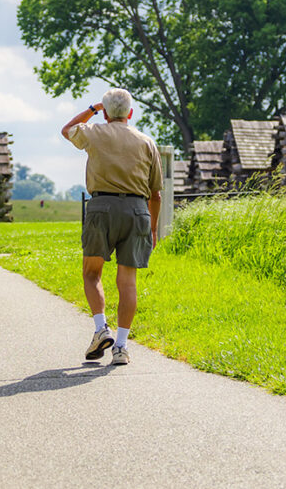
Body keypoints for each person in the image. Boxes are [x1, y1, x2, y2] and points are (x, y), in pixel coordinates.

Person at [61, 88, 162, 366]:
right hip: (137, 211)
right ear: (130, 113)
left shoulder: (93, 131)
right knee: (127, 282)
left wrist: (93, 109)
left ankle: (100, 328)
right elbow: (156, 195)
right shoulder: (146, 142)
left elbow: (67, 129)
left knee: (92, 273)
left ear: (105, 113)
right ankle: (121, 347)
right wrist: (153, 228)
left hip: (101, 208)